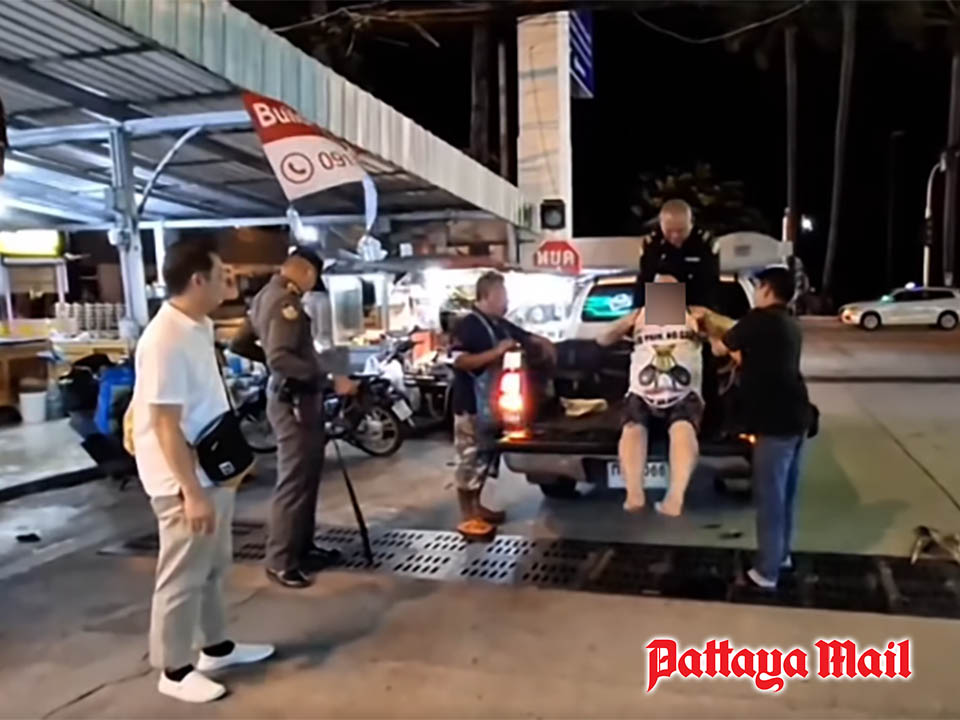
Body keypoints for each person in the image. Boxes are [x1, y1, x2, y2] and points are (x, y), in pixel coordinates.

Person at [131, 238, 273, 704]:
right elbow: (164, 425)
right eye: (221, 275)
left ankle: (216, 647)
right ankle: (173, 670)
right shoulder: (164, 339)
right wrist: (190, 491)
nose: (228, 282)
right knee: (181, 575)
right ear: (197, 280)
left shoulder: (198, 325)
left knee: (212, 566)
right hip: (183, 480)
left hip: (213, 469)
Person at [230, 249, 356, 589]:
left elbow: (240, 343)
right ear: (306, 272)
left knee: (306, 478)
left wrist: (274, 363)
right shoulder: (285, 302)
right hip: (294, 402)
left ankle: (302, 549)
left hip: (297, 400)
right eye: (314, 278)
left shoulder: (263, 296)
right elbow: (281, 359)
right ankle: (281, 560)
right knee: (295, 483)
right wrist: (328, 379)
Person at [702, 266, 812, 590]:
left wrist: (704, 327)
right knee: (784, 495)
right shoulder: (790, 323)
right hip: (797, 416)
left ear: (766, 289)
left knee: (769, 498)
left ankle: (766, 572)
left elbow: (722, 347)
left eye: (758, 286)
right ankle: (781, 555)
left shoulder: (758, 320)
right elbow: (751, 357)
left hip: (774, 422)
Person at [451, 271, 555, 538]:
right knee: (469, 460)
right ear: (486, 295)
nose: (506, 300)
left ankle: (477, 507)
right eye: (502, 295)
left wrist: (541, 342)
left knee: (485, 458)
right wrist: (496, 352)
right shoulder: (468, 325)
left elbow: (524, 336)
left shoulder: (499, 324)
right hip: (471, 405)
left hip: (493, 407)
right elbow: (459, 361)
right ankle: (467, 517)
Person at [598, 274, 703, 516]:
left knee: (683, 427)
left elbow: (722, 345)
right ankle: (634, 494)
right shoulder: (639, 317)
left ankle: (675, 498)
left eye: (669, 289)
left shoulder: (694, 316)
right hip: (642, 392)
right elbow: (602, 339)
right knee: (633, 427)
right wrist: (628, 320)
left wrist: (708, 321)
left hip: (683, 392)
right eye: (658, 289)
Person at [633, 199, 719, 311]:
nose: (675, 236)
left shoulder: (704, 244)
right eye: (669, 231)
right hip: (662, 309)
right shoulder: (652, 244)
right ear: (661, 224)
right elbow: (644, 282)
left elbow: (710, 286)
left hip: (697, 306)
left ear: (691, 223)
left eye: (681, 230)